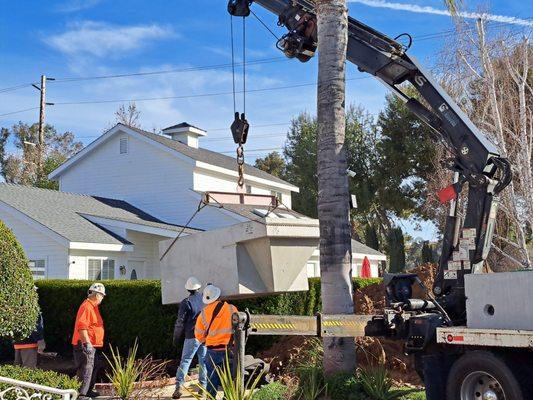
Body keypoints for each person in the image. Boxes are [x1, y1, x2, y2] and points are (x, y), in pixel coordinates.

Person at [194, 284, 237, 398]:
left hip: (212, 351)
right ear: (218, 296)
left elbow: (198, 335)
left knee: (212, 380)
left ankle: (210, 397)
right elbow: (239, 329)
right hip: (229, 350)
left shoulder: (203, 314)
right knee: (229, 379)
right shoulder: (232, 309)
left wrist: (206, 340)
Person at [172, 277, 207, 399]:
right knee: (203, 362)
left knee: (186, 361)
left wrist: (176, 338)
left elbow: (180, 322)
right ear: (199, 287)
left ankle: (178, 387)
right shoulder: (205, 299)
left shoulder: (186, 302)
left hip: (191, 336)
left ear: (187, 289)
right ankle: (203, 388)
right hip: (204, 336)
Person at [72, 283, 106, 400]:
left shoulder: (93, 307)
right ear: (97, 295)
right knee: (86, 368)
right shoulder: (87, 306)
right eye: (102, 295)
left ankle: (88, 391)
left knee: (93, 367)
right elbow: (82, 327)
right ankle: (81, 395)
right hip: (85, 344)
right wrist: (87, 343)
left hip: (91, 345)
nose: (102, 298)